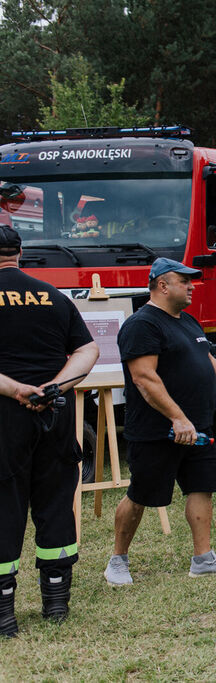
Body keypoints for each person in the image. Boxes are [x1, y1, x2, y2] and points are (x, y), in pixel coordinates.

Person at [104, 258, 216, 586]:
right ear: (162, 285)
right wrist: (177, 418)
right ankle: (118, 559)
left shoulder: (187, 322)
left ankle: (203, 558)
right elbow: (145, 378)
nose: (191, 286)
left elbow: (206, 359)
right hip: (159, 430)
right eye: (184, 281)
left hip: (196, 427)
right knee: (141, 493)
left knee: (201, 487)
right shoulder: (143, 325)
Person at [0, 225, 99, 637]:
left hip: (5, 415)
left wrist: (15, 389)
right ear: (20, 252)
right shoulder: (53, 296)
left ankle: (4, 614)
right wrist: (55, 385)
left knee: (3, 502)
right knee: (57, 498)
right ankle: (55, 601)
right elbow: (88, 349)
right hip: (55, 412)